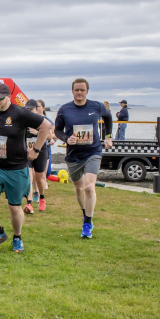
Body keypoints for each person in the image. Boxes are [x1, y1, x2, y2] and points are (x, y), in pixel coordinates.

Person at [0, 84, 50, 253]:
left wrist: (36, 150)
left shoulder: (20, 113)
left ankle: (17, 237)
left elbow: (46, 126)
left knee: (14, 207)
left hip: (16, 168)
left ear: (8, 97)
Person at [53, 78, 113, 239]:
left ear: (87, 91)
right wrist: (67, 139)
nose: (79, 93)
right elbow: (57, 131)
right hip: (74, 155)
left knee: (89, 187)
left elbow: (108, 117)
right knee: (79, 188)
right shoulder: (65, 109)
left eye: (82, 90)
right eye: (76, 90)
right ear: (72, 91)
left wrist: (108, 136)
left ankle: (87, 222)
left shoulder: (96, 106)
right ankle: (85, 213)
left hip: (93, 151)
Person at [26, 99, 54, 212]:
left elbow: (50, 136)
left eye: (31, 109)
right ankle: (29, 203)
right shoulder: (24, 121)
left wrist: (37, 133)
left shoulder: (43, 120)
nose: (29, 111)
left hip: (41, 151)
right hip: (28, 150)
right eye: (27, 109)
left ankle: (42, 197)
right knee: (29, 177)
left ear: (36, 109)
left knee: (39, 178)